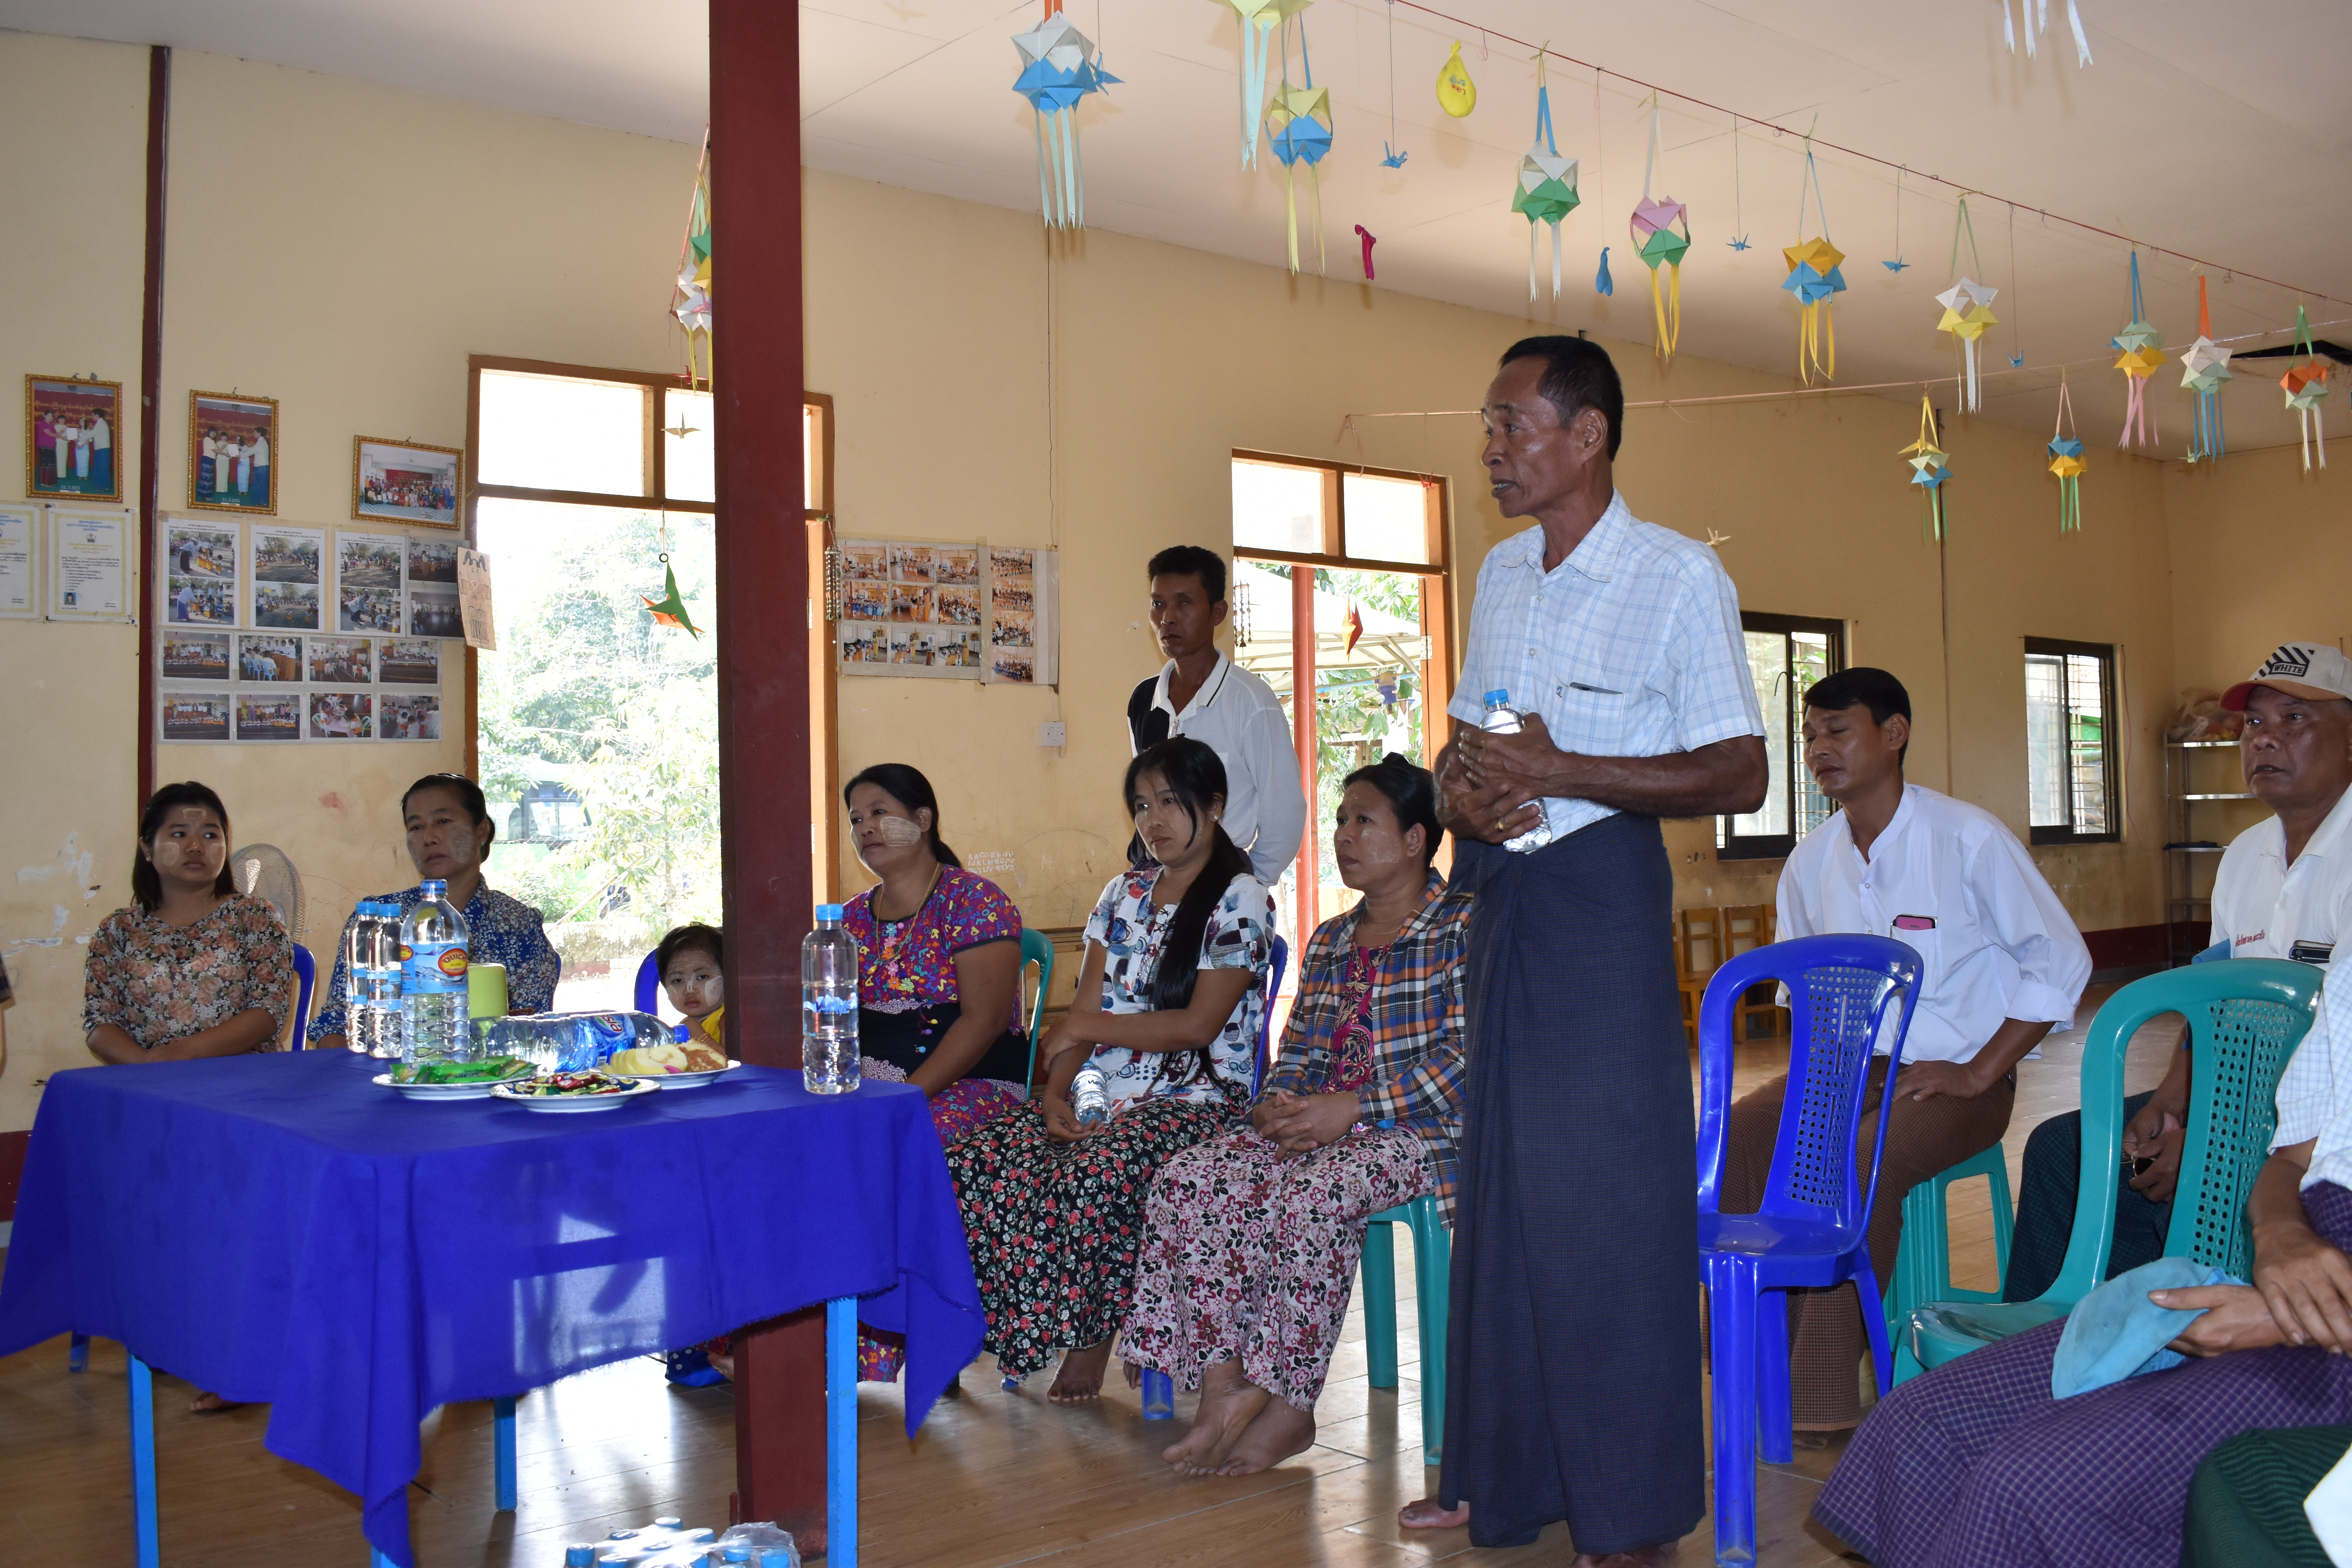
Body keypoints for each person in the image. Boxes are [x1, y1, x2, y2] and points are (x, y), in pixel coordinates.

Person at [1401, 336, 1768, 1559]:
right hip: (1498, 891)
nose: (1491, 449)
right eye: (1490, 427)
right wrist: (1460, 796)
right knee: (1503, 1190)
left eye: (1511, 425)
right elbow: (1470, 741)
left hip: (1599, 903)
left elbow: (1739, 770)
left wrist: (1563, 770)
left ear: (1589, 434)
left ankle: (1631, 1511)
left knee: (1605, 1203)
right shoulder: (1505, 572)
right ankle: (1501, 1478)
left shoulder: (1676, 578)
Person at [1813, 911, 2352, 1568]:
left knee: (2031, 1483)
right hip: (2293, 1266)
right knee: (1918, 1422)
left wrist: (2297, 1312)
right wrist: (2281, 1233)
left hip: (2330, 1335)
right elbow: (2292, 1160)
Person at [1718, 666, 2090, 1438]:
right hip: (1846, 1070)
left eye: (1837, 730)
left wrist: (1982, 1069)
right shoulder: (1811, 861)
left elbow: (2060, 959)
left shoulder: (1968, 839)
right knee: (1742, 1136)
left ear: (1894, 733)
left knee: (1860, 1162)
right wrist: (1815, 1093)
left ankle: (1818, 1396)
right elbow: (1800, 988)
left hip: (1953, 1080)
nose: (1818, 749)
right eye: (1809, 735)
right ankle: (1743, 1357)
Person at [1123, 753, 1468, 1477]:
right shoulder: (1332, 939)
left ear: (1414, 839)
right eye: (1340, 820)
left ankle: (1289, 1403)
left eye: (1363, 821)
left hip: (1416, 1132)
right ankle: (1222, 1386)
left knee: (1315, 1194)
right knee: (1191, 1178)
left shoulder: (1462, 926)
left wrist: (1356, 1107)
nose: (1343, 835)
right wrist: (1278, 1105)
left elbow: (1465, 1059)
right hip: (1318, 1121)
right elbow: (1301, 1047)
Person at [2005, 642, 2352, 1305]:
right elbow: (2213, 1006)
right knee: (2064, 1152)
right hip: (2238, 1095)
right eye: (2254, 724)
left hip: (2322, 1121)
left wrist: (2215, 1134)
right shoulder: (2245, 856)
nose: (2265, 739)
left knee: (2199, 1189)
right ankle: (2060, 1338)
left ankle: (2185, 1324)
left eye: (2294, 719)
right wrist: (2171, 1103)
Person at [944, 737, 1276, 1403]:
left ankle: (1092, 1335)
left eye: (1171, 803)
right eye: (1142, 806)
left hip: (1196, 1104)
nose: (1154, 820)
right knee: (976, 1161)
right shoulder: (1122, 893)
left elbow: (1196, 1026)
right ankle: (1016, 1330)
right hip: (1104, 1094)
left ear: (1214, 805)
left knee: (1098, 1172)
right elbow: (1084, 1013)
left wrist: (1083, 1030)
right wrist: (1055, 1097)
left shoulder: (1242, 898)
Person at [311, 773, 559, 1049]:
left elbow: (531, 1034)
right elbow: (335, 1025)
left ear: (481, 831)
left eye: (443, 821)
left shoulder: (517, 926)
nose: (429, 838)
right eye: (416, 827)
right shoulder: (377, 923)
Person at [1125, 545, 1305, 886]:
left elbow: (1285, 810)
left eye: (1184, 603)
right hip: (1153, 880)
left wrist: (1250, 885)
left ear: (1218, 612)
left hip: (1223, 879)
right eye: (1158, 604)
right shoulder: (1144, 700)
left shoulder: (1251, 701)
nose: (1168, 618)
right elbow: (1144, 796)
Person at [82, 780, 296, 1065]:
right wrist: (150, 1068)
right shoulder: (118, 930)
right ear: (147, 848)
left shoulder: (255, 917)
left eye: (210, 835)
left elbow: (268, 1011)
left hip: (242, 1078)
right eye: (180, 834)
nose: (196, 847)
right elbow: (100, 1022)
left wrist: (184, 1053)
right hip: (147, 1078)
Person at [655, 922, 726, 1053]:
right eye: (678, 980)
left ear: (727, 979)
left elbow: (732, 1061)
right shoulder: (684, 1026)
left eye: (702, 977)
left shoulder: (725, 1018)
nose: (690, 990)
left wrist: (699, 1036)